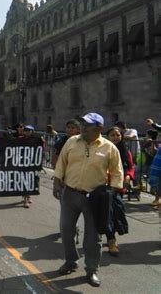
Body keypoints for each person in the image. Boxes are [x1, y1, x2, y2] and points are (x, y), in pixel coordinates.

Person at [53, 112, 123, 287]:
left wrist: (110, 194)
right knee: (66, 230)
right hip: (69, 194)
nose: (83, 127)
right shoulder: (72, 141)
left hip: (94, 199)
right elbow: (62, 162)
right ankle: (71, 261)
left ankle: (91, 270)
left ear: (99, 128)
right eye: (82, 124)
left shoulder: (109, 148)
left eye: (87, 125)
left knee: (93, 237)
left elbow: (117, 173)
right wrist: (56, 182)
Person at [105, 126, 134, 256]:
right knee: (108, 214)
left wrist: (129, 176)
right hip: (105, 187)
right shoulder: (103, 150)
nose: (115, 137)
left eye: (118, 135)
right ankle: (111, 240)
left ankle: (112, 235)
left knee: (118, 211)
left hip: (119, 187)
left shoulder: (125, 150)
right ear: (107, 137)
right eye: (112, 135)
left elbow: (130, 166)